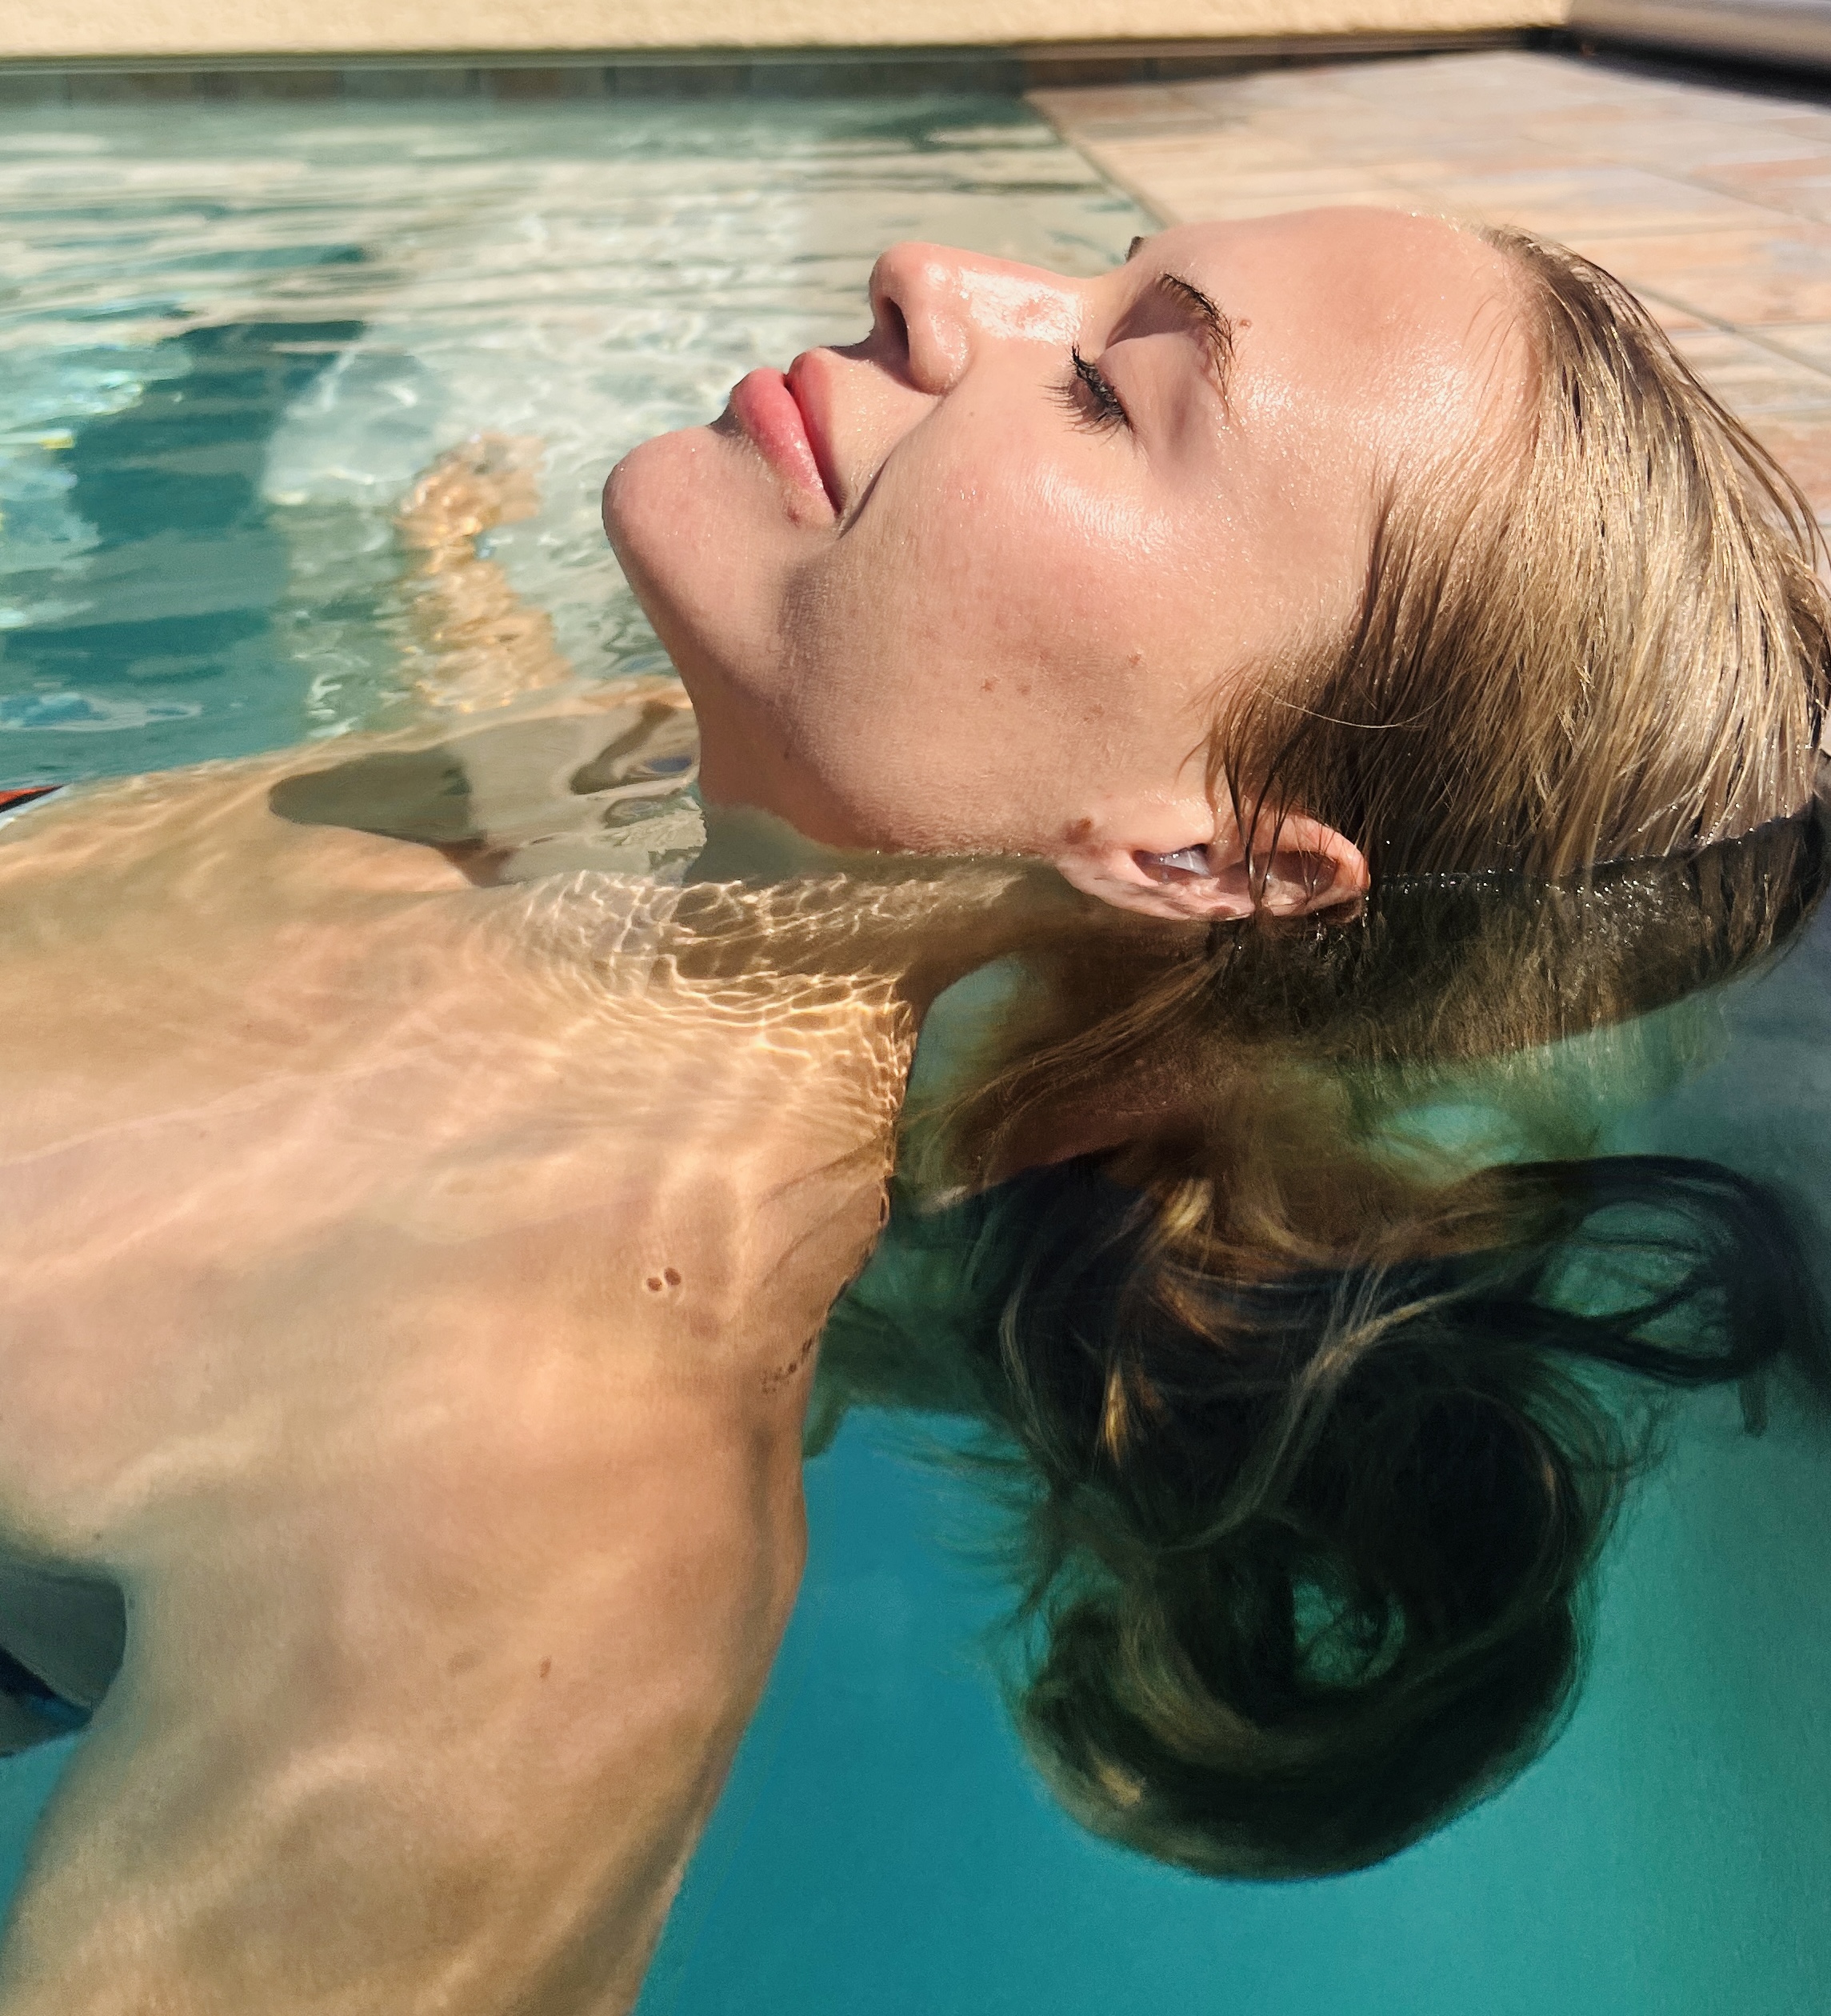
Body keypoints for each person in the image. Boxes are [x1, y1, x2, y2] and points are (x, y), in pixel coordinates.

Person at [0, 203, 1824, 2010]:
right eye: (1086, 256)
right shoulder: (638, 775)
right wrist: (445, 570)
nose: (928, 276)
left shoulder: (527, 1475)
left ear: (1198, 855)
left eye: (1107, 390)